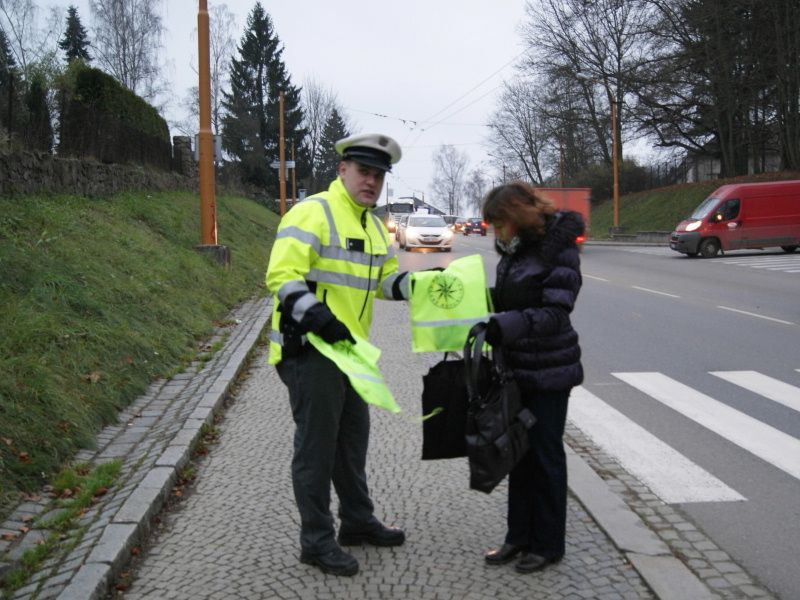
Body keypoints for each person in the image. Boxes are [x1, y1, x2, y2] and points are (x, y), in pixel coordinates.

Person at [265, 133, 411, 577]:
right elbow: (281, 274)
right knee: (317, 450)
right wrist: (316, 316)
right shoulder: (315, 211)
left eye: (379, 175)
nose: (372, 181)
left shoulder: (371, 225)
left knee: (351, 444)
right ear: (342, 170)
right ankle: (316, 541)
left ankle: (358, 522)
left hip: (350, 353)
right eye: (364, 172)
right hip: (311, 351)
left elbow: (384, 282)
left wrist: (420, 286)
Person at [480, 181, 584, 574]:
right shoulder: (515, 248)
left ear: (519, 214)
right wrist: (468, 296)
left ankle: (547, 544)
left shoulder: (559, 247)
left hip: (549, 370)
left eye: (500, 223)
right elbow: (512, 299)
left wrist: (505, 326)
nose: (496, 231)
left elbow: (557, 312)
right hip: (516, 367)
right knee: (518, 456)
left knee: (544, 456)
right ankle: (518, 537)